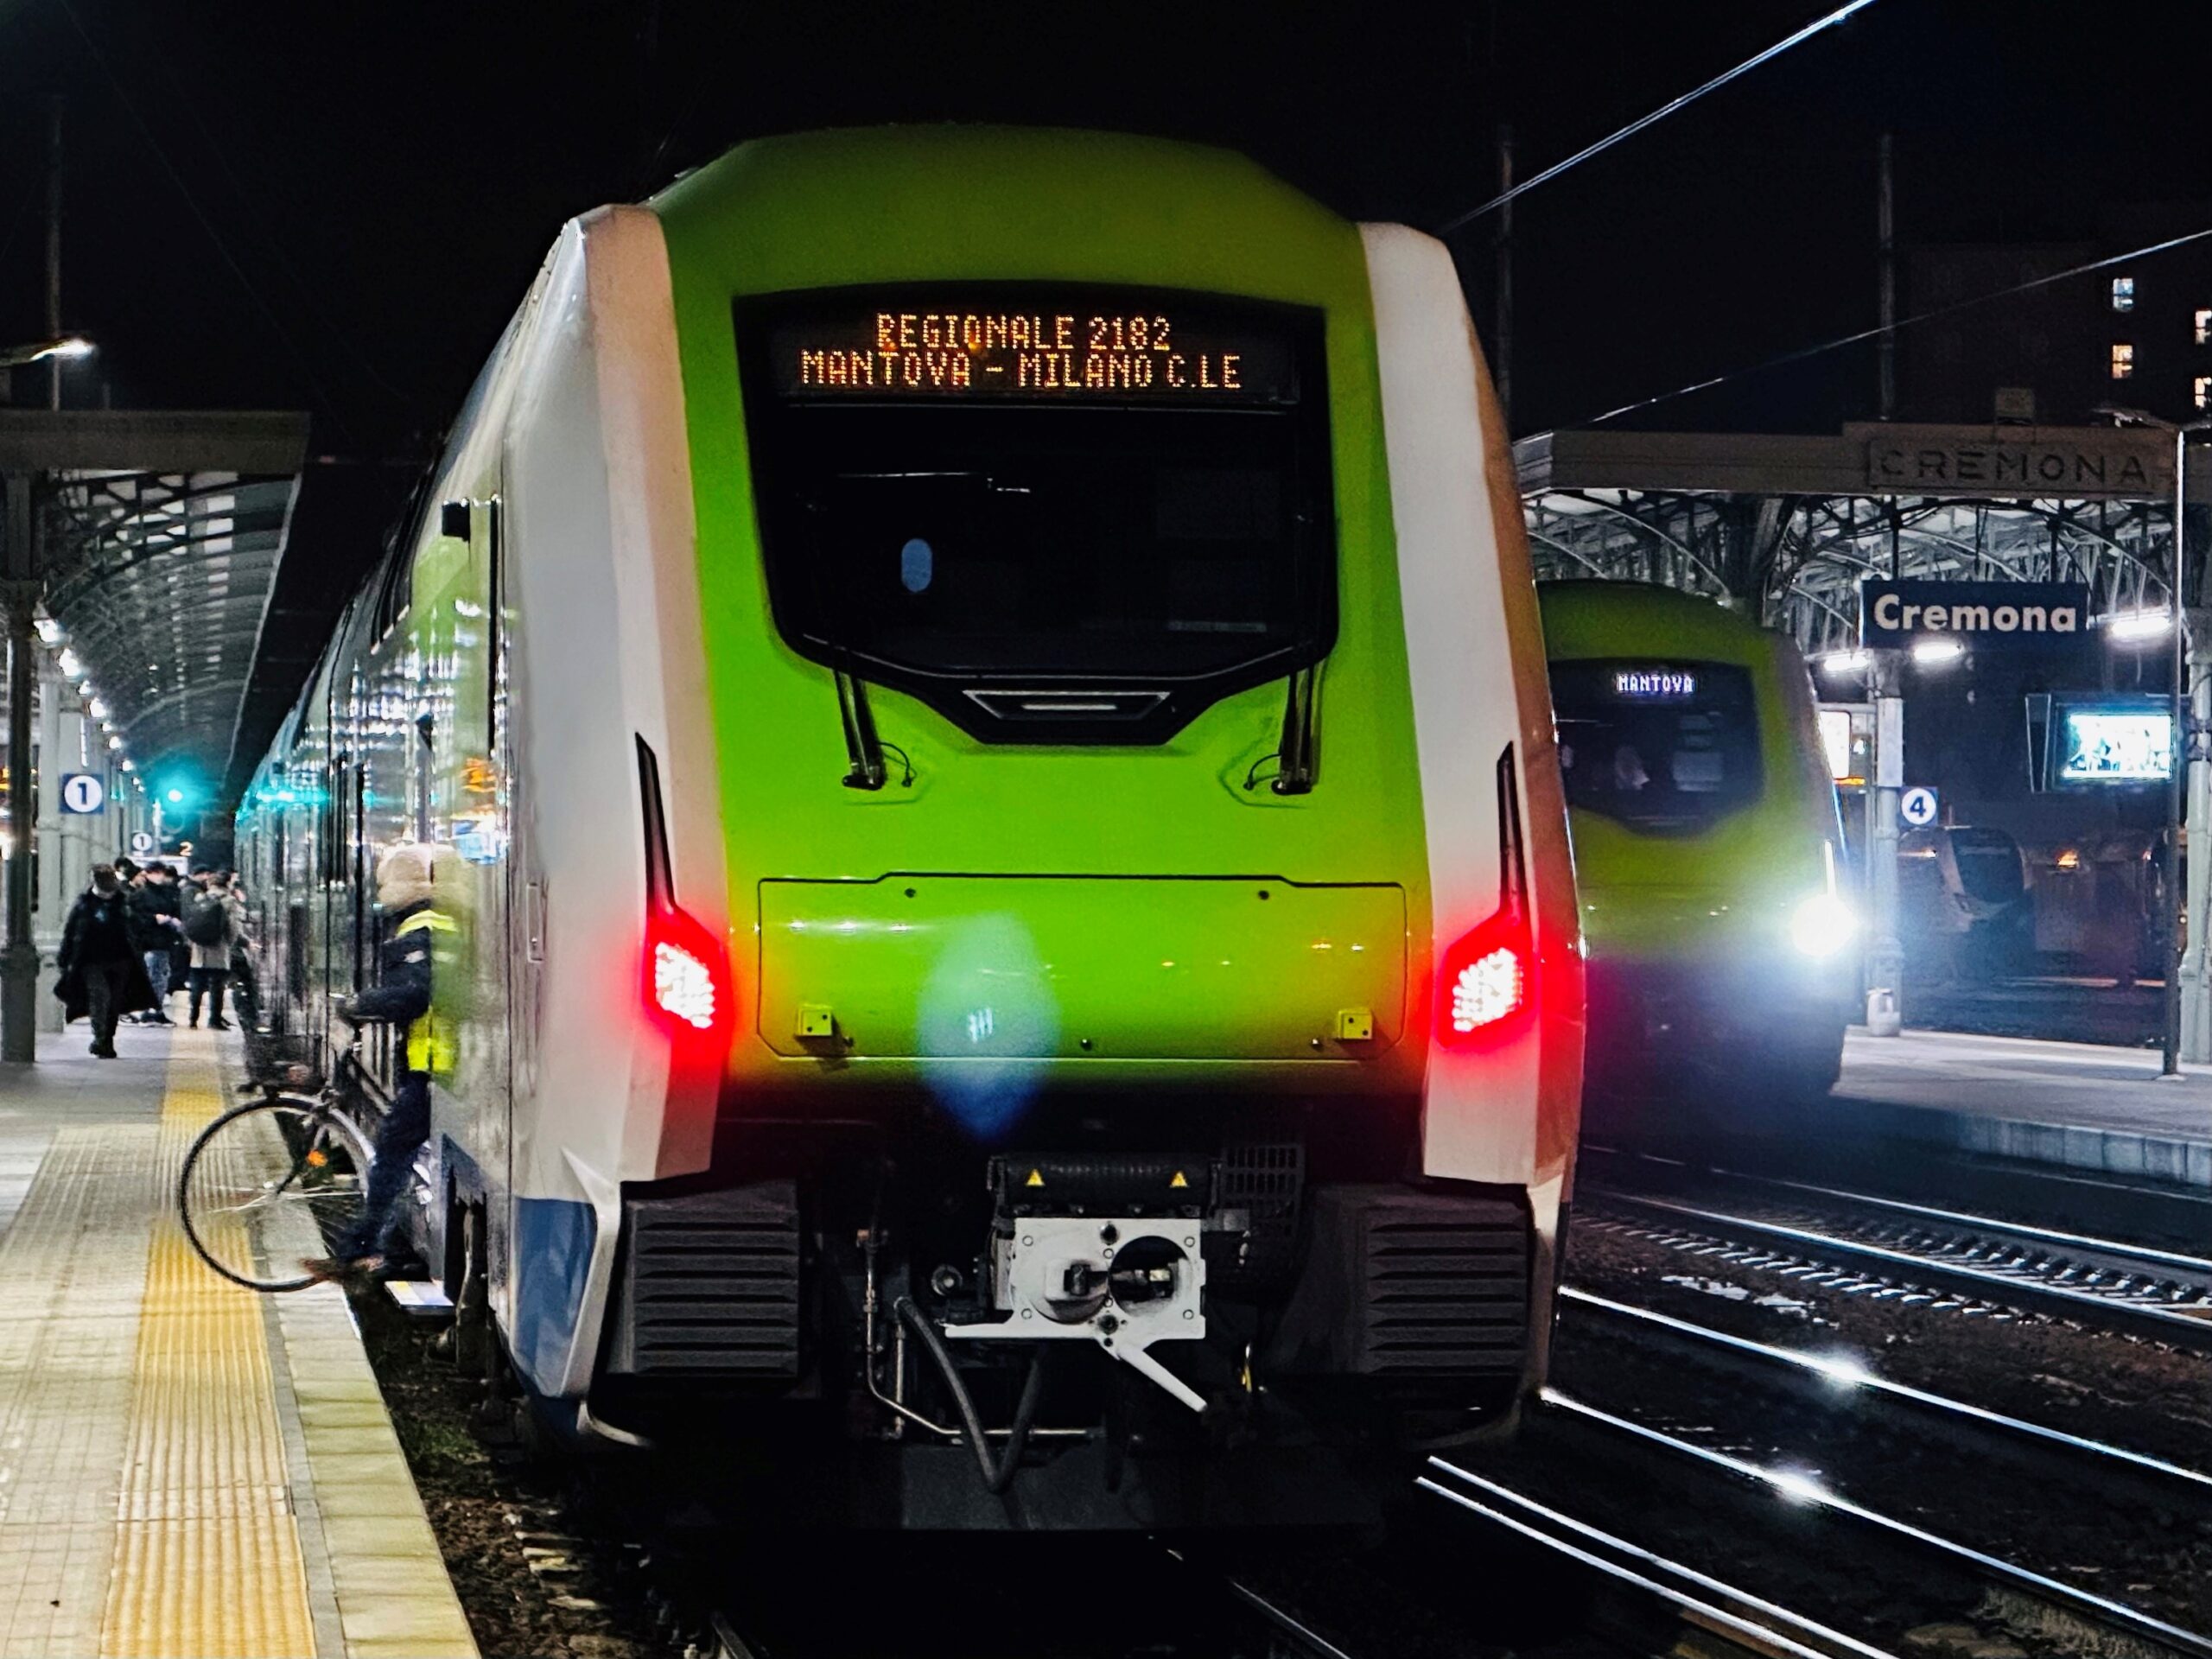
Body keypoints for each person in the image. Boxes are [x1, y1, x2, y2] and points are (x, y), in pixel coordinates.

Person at [304, 844, 454, 1281]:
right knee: (400, 1151)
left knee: (391, 1154)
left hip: (434, 1066)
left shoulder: (420, 929)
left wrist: (358, 1005)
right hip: (444, 1064)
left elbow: (414, 993)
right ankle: (387, 1249)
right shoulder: (442, 922)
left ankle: (358, 1253)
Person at [54, 866, 156, 1057]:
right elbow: (71, 933)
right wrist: (64, 958)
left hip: (122, 960)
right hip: (90, 961)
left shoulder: (124, 902)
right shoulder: (84, 904)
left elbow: (137, 927)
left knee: (114, 1002)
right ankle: (101, 1039)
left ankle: (106, 1038)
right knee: (99, 998)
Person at [182, 870, 242, 1029]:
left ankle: (193, 1019)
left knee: (197, 985)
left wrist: (192, 943)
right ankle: (214, 1020)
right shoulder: (229, 901)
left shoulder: (200, 898)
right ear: (227, 884)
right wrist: (229, 943)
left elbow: (190, 921)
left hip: (199, 950)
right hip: (219, 949)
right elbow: (233, 927)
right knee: (217, 986)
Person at [126, 863, 182, 1025]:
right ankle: (151, 1011)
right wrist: (154, 919)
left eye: (161, 873)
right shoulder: (141, 895)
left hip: (163, 940)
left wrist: (173, 920)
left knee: (160, 975)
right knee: (155, 976)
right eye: (156, 873)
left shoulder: (165, 893)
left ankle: (154, 1010)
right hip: (149, 942)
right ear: (148, 874)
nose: (159, 876)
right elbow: (134, 918)